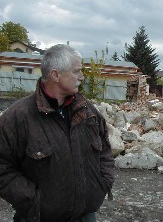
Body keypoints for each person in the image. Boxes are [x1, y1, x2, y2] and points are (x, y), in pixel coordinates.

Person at [0, 44, 115, 222]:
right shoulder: (17, 117)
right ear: (55, 75)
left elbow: (105, 151)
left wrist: (102, 185)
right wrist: (35, 202)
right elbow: (2, 167)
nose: (82, 77)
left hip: (85, 216)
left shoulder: (88, 111)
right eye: (76, 71)